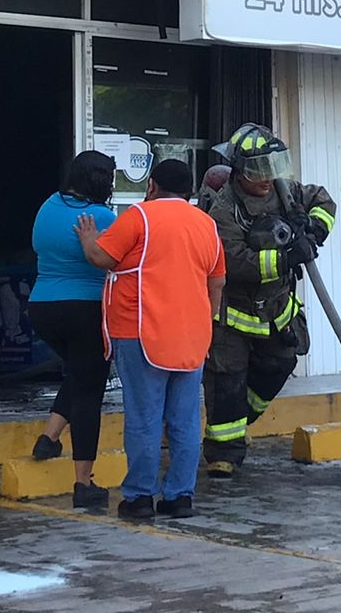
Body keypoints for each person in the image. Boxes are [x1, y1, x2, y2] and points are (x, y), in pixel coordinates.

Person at [75, 159, 226, 521]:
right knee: (185, 420)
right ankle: (180, 498)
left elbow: (101, 257)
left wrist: (87, 237)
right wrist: (205, 321)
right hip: (192, 337)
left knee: (144, 418)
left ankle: (140, 498)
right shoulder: (206, 225)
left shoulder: (140, 217)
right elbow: (216, 283)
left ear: (152, 185)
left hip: (141, 332)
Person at [201, 122, 336, 477]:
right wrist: (287, 258)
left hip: (276, 309)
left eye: (271, 167)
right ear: (238, 170)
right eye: (257, 169)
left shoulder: (285, 190)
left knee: (279, 365)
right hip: (233, 315)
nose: (266, 177)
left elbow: (323, 199)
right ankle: (223, 456)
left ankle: (239, 421)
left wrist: (315, 229)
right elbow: (233, 262)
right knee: (228, 380)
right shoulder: (225, 209)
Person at [26, 149, 118, 510]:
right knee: (89, 391)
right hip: (85, 309)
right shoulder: (101, 217)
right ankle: (84, 483)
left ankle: (49, 438)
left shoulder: (48, 206)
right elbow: (119, 260)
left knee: (81, 374)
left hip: (43, 307)